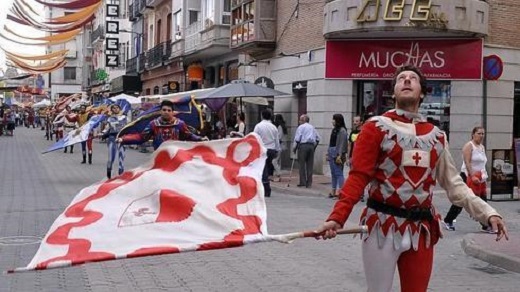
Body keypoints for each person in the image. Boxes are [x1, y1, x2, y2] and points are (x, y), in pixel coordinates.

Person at [315, 65, 508, 292]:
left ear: (422, 91)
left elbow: (455, 184)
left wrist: (488, 213)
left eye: (413, 78)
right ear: (394, 92)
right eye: (401, 79)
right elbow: (358, 177)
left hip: (421, 229)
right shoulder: (375, 127)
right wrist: (337, 218)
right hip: (382, 226)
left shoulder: (436, 136)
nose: (406, 81)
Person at [443, 126, 492, 232]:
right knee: (462, 200)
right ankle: (448, 220)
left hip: (480, 178)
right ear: (473, 134)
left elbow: (482, 164)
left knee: (482, 201)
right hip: (467, 177)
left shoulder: (482, 147)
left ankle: (485, 224)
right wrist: (472, 175)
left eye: (483, 134)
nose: (481, 136)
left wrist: (484, 176)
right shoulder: (469, 146)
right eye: (479, 133)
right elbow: (467, 162)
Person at [118, 100, 207, 151]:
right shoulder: (154, 124)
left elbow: (189, 136)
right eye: (164, 110)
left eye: (169, 110)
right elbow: (142, 137)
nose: (166, 112)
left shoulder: (179, 124)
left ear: (173, 112)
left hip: (175, 156)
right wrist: (124, 139)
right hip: (159, 156)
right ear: (160, 111)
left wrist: (200, 139)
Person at [253, 109, 281, 198]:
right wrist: (277, 150)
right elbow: (276, 140)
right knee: (267, 168)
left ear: (262, 116)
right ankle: (266, 183)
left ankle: (266, 187)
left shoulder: (258, 126)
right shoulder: (274, 127)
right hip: (272, 150)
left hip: (263, 149)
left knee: (263, 168)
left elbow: (254, 138)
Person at [99, 104, 127, 179]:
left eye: (117, 108)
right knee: (111, 158)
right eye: (113, 108)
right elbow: (106, 128)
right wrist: (102, 133)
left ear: (120, 109)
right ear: (112, 110)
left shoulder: (125, 118)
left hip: (121, 138)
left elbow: (129, 127)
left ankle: (121, 174)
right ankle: (109, 172)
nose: (115, 109)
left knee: (121, 156)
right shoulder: (109, 119)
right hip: (112, 138)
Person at [293, 114, 320, 188]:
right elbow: (318, 138)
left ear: (303, 120)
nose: (299, 121)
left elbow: (297, 139)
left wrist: (294, 148)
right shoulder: (312, 127)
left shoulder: (301, 127)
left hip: (303, 146)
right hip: (311, 146)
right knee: (309, 165)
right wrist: (314, 147)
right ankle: (309, 183)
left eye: (300, 120)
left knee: (302, 164)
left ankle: (303, 182)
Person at [327, 114, 348, 199]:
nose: (332, 121)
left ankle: (341, 192)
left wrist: (339, 154)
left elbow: (342, 144)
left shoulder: (342, 131)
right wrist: (328, 153)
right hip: (331, 150)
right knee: (333, 173)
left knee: (339, 173)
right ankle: (333, 191)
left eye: (334, 119)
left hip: (338, 152)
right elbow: (331, 141)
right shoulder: (334, 130)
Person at [272, 114, 288, 182]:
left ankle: (278, 174)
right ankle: (278, 176)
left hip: (279, 145)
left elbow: (279, 137)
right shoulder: (283, 126)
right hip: (283, 145)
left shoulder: (279, 127)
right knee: (278, 161)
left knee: (274, 161)